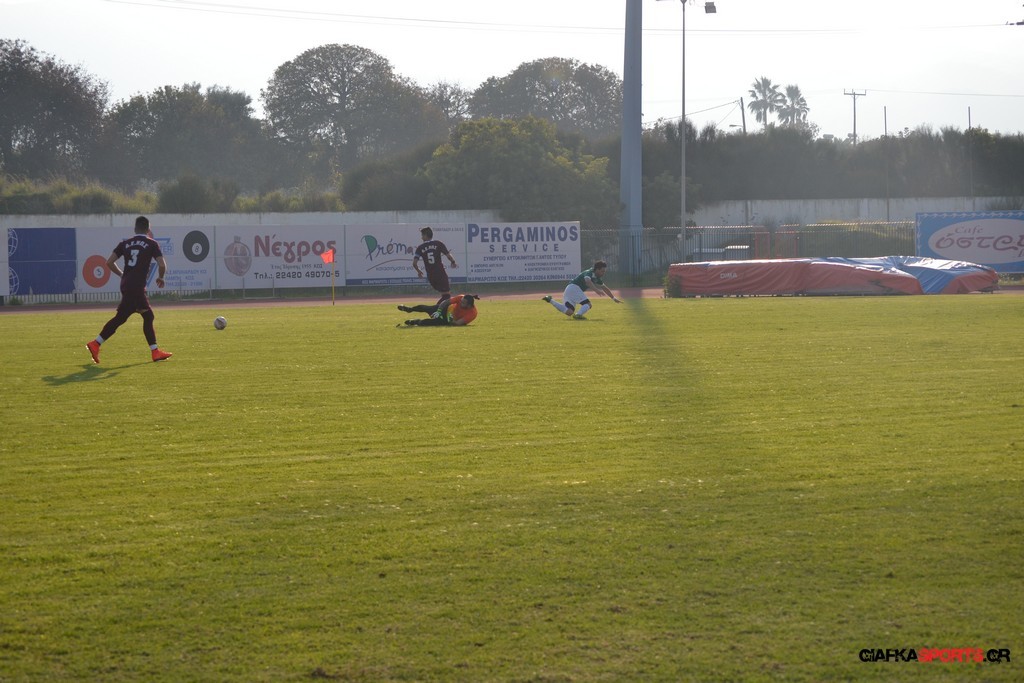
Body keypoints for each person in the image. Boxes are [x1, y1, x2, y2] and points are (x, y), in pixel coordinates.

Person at [86, 216, 173, 363]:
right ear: (148, 229)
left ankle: (96, 343)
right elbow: (162, 264)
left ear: (135, 229)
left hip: (126, 284)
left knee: (122, 317)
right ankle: (155, 352)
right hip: (137, 287)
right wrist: (161, 277)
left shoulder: (125, 243)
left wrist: (122, 274)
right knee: (148, 316)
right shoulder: (151, 244)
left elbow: (109, 262)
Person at [542, 260, 622, 319]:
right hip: (574, 288)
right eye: (602, 271)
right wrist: (596, 290)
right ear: (597, 269)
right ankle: (578, 315)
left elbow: (604, 288)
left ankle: (550, 300)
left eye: (604, 271)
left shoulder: (597, 277)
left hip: (570, 289)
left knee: (569, 312)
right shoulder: (589, 272)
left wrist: (613, 298)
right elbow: (588, 281)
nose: (603, 273)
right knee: (588, 304)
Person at [412, 226, 458, 304]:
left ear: (425, 235)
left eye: (422, 235)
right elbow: (448, 255)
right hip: (440, 273)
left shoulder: (420, 247)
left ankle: (441, 309)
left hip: (430, 276)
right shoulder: (438, 243)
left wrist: (419, 271)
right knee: (446, 295)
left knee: (445, 295)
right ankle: (437, 309)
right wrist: (453, 262)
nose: (421, 237)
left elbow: (414, 263)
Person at [397, 294, 479, 327]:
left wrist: (450, 319)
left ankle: (415, 321)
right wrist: (439, 311)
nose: (460, 303)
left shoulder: (472, 314)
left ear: (469, 305)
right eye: (461, 301)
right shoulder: (461, 297)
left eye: (463, 303)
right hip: (446, 309)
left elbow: (458, 323)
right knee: (428, 308)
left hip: (449, 320)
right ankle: (410, 309)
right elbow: (446, 302)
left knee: (429, 323)